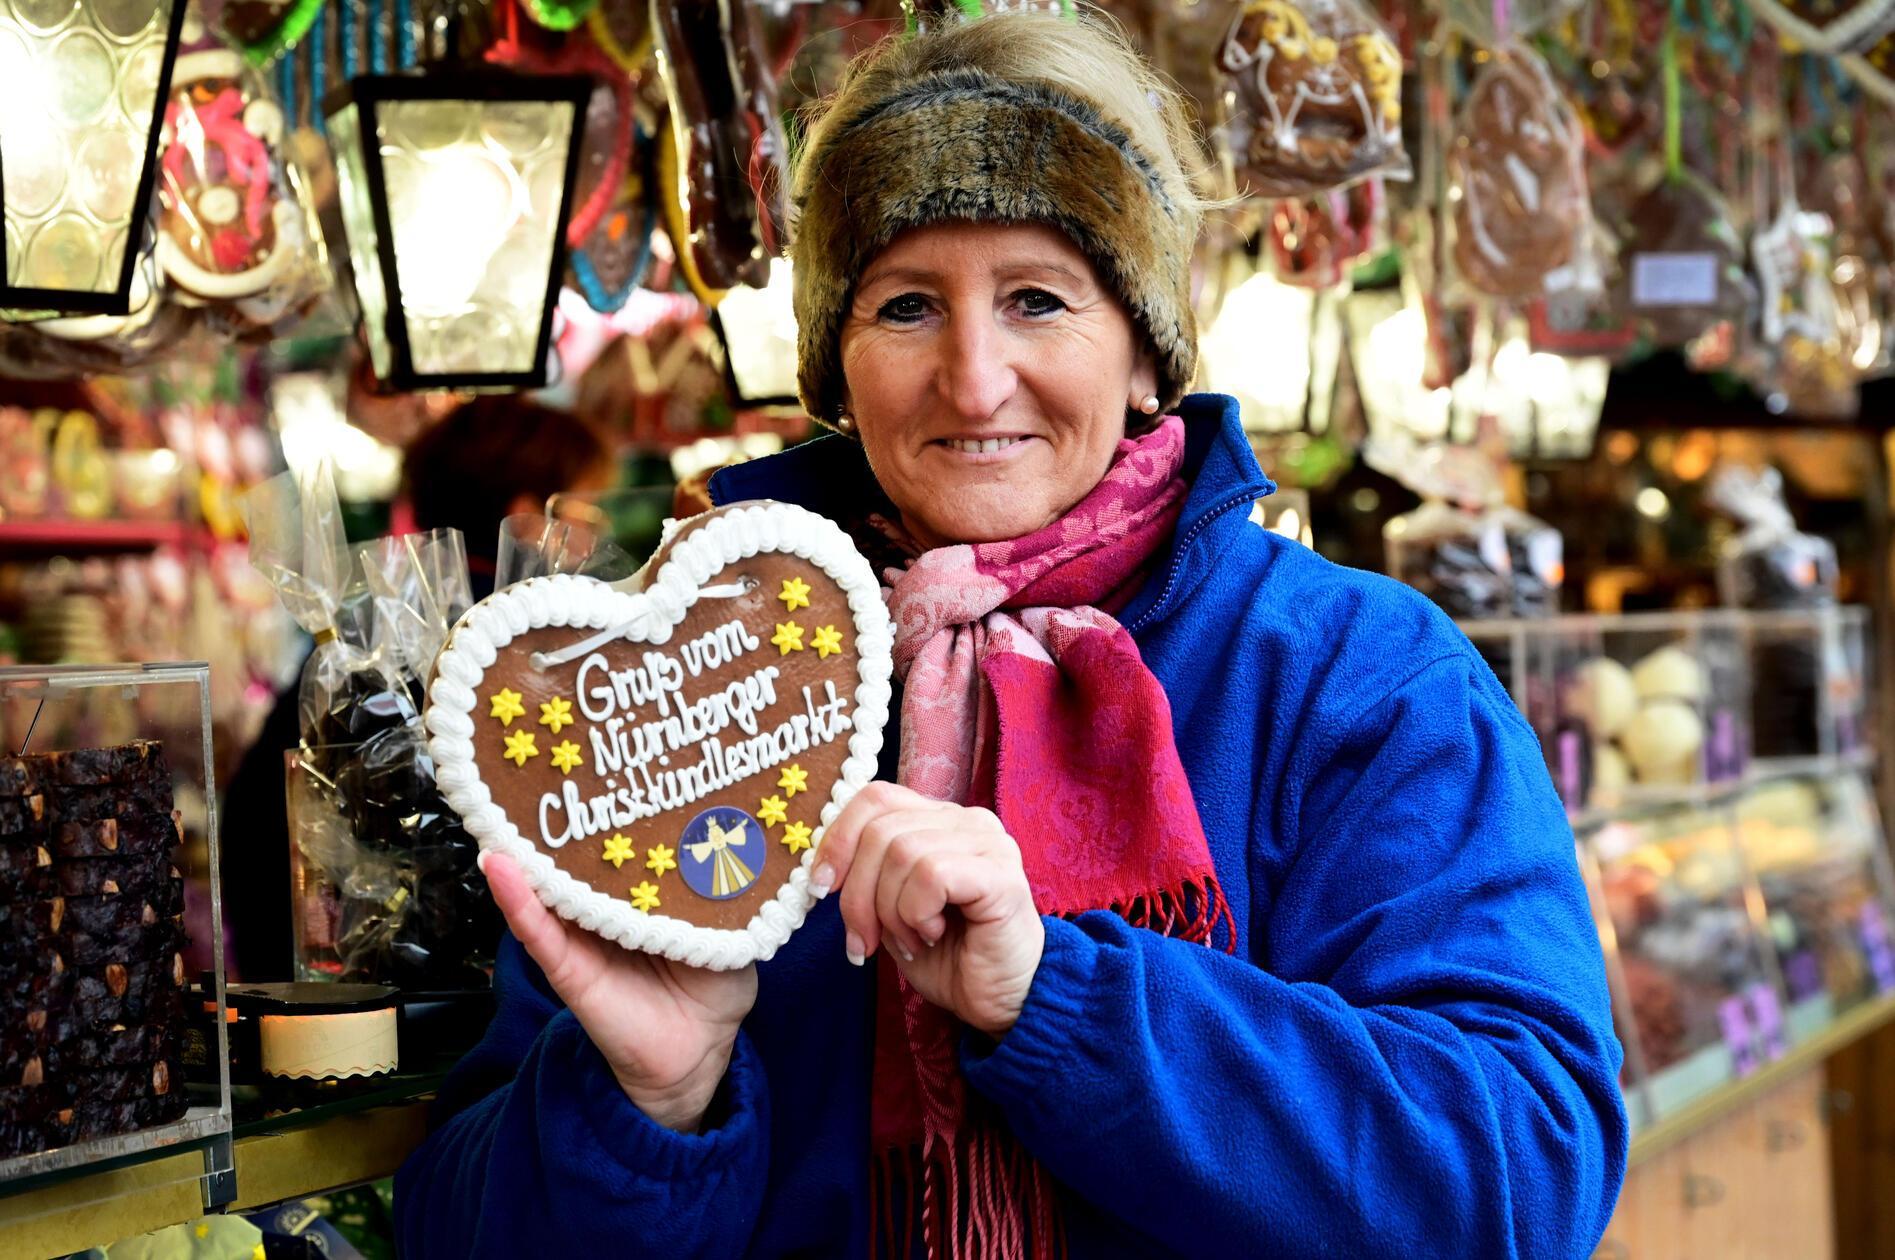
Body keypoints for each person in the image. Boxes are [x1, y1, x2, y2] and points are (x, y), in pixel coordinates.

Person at [394, 12, 1628, 1257]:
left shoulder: (1350, 675)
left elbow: (1518, 1181)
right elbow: (452, 1231)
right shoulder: (691, 689)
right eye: (904, 308)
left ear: (1145, 351)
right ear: (835, 369)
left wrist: (1055, 996)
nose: (973, 379)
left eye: (1037, 299)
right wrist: (645, 1103)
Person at [222, 397, 611, 980]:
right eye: (590, 512)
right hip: (495, 998)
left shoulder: (360, 638)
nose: (598, 536)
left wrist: (293, 984)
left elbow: (253, 821)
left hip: (344, 994)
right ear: (530, 519)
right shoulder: (538, 651)